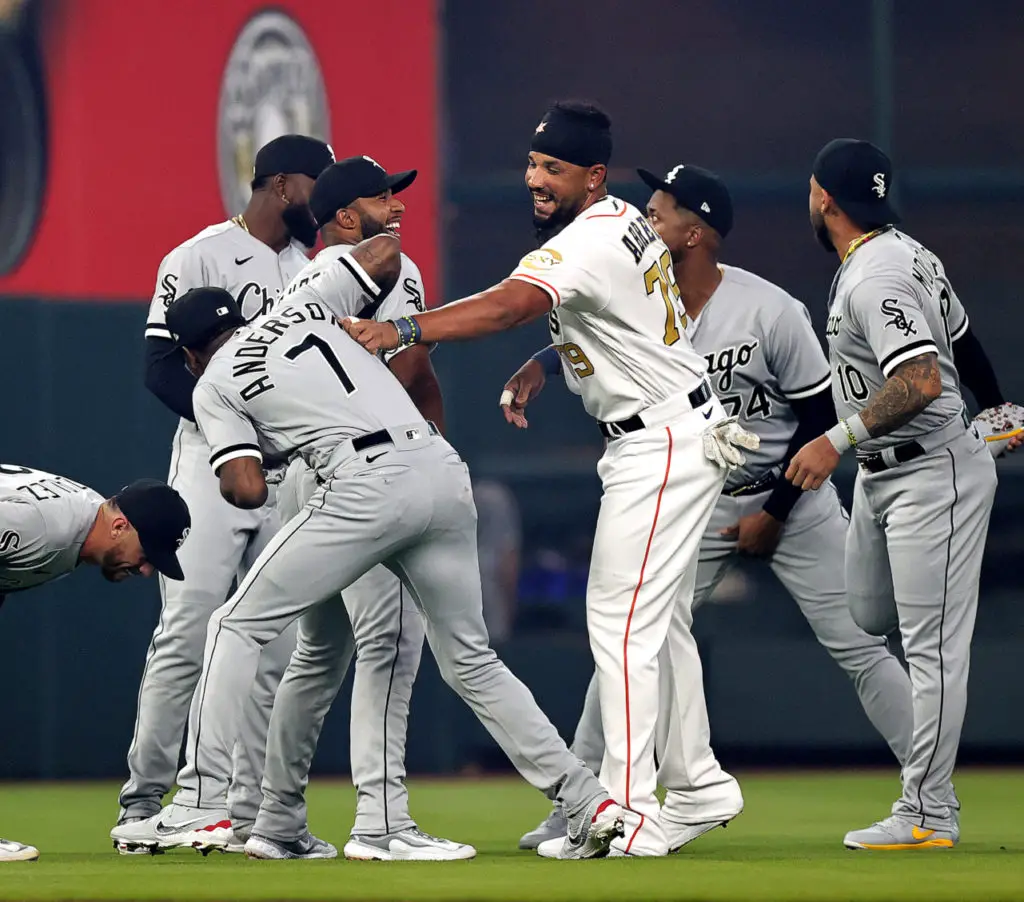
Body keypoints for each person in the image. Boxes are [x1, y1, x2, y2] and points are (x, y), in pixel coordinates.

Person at [342, 101, 759, 858]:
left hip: (661, 440)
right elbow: (610, 320)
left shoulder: (592, 237)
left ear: (593, 177)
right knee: (657, 621)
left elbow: (509, 305)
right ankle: (697, 781)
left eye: (554, 169)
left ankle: (628, 811)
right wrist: (546, 365)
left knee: (621, 623)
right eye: (532, 164)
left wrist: (403, 328)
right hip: (676, 426)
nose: (535, 180)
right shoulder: (623, 219)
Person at [521, 163, 918, 852]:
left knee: (860, 645)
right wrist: (540, 363)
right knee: (630, 641)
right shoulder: (643, 292)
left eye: (661, 210)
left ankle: (929, 792)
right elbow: (588, 330)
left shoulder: (768, 309)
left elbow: (819, 416)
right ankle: (583, 805)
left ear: (695, 232)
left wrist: (778, 513)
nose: (647, 219)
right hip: (698, 494)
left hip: (793, 495)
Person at [160, 271, 624, 861]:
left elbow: (248, 490)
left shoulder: (214, 384)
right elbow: (382, 253)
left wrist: (255, 451)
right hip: (437, 464)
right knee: (469, 660)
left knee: (236, 625)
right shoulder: (303, 304)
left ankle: (202, 800)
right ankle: (587, 801)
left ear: (189, 355)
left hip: (360, 482)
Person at [112, 134, 336, 854]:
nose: (324, 198)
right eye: (316, 182)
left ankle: (241, 809)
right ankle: (147, 798)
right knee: (188, 627)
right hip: (212, 462)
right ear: (278, 185)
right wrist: (236, 425)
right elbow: (159, 368)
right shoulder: (199, 255)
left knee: (274, 641)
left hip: (294, 468)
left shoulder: (316, 266)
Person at [249, 155, 470, 860]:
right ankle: (382, 824)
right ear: (345, 217)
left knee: (316, 655)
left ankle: (276, 821)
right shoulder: (388, 268)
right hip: (370, 476)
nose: (396, 207)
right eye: (382, 197)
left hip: (303, 477)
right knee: (391, 644)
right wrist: (433, 457)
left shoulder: (297, 282)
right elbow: (414, 370)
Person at [787, 138, 1000, 849]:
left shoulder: (876, 275)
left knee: (933, 650)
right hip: (886, 476)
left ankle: (927, 815)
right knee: (867, 612)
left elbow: (923, 381)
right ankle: (926, 793)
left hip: (930, 470)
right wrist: (999, 408)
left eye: (812, 189)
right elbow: (963, 342)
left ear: (824, 198)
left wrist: (834, 440)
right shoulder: (904, 250)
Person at [1, 465, 189, 862]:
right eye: (147, 552)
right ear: (120, 526)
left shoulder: (78, 520)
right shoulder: (42, 527)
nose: (145, 569)